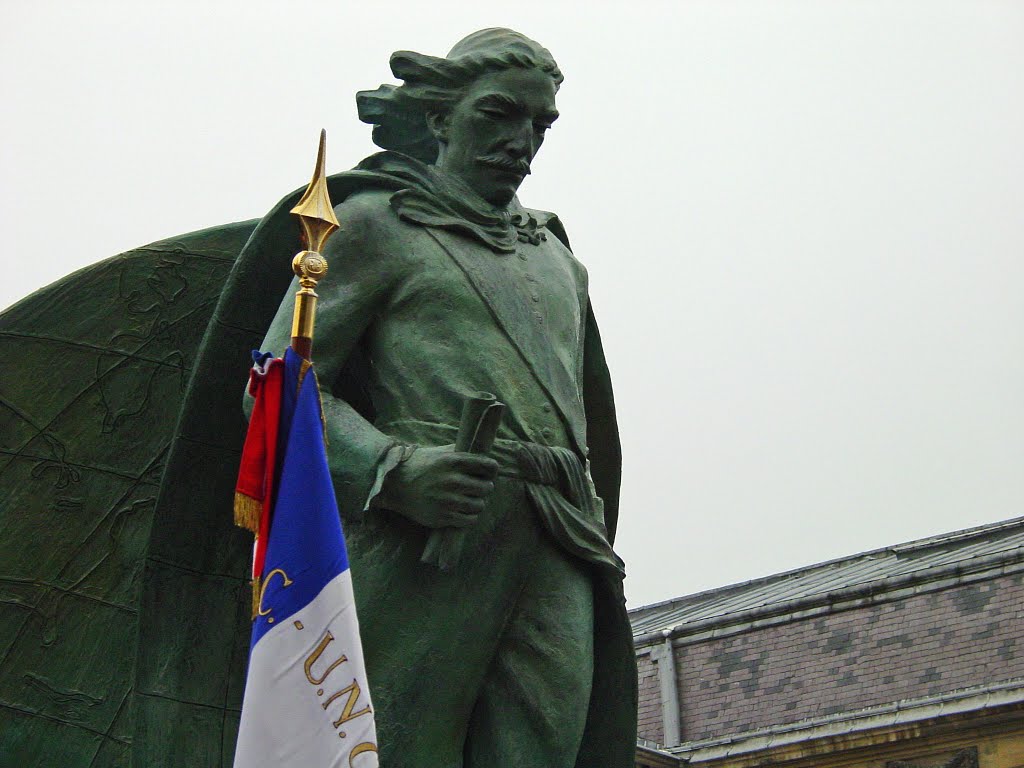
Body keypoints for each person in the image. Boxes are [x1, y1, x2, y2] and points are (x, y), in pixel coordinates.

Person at [254, 28, 637, 767]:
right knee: (394, 750)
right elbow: (276, 388)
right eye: (499, 114)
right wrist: (392, 468)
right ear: (439, 119)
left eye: (540, 125)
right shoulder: (375, 226)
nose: (522, 141)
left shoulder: (559, 259)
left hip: (559, 541)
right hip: (426, 543)